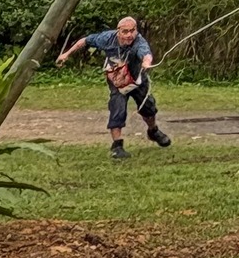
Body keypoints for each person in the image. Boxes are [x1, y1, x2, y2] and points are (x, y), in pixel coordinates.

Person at [58, 16, 171, 159]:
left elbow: (146, 53)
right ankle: (117, 146)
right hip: (117, 80)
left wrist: (147, 63)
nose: (129, 35)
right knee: (117, 108)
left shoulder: (139, 41)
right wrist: (66, 54)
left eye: (132, 31)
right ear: (118, 32)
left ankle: (153, 131)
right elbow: (85, 41)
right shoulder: (106, 38)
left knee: (148, 107)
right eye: (125, 31)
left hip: (137, 79)